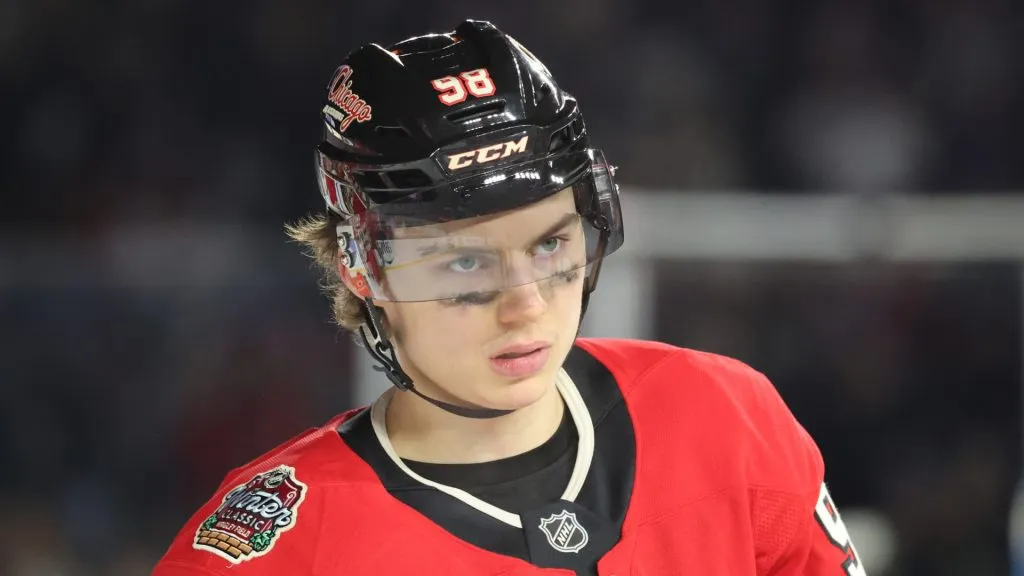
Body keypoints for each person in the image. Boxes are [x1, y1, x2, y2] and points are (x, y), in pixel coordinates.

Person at [152, 19, 865, 576]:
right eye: (465, 264)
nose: (524, 304)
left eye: (551, 245)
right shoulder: (271, 548)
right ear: (362, 268)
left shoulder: (725, 419)